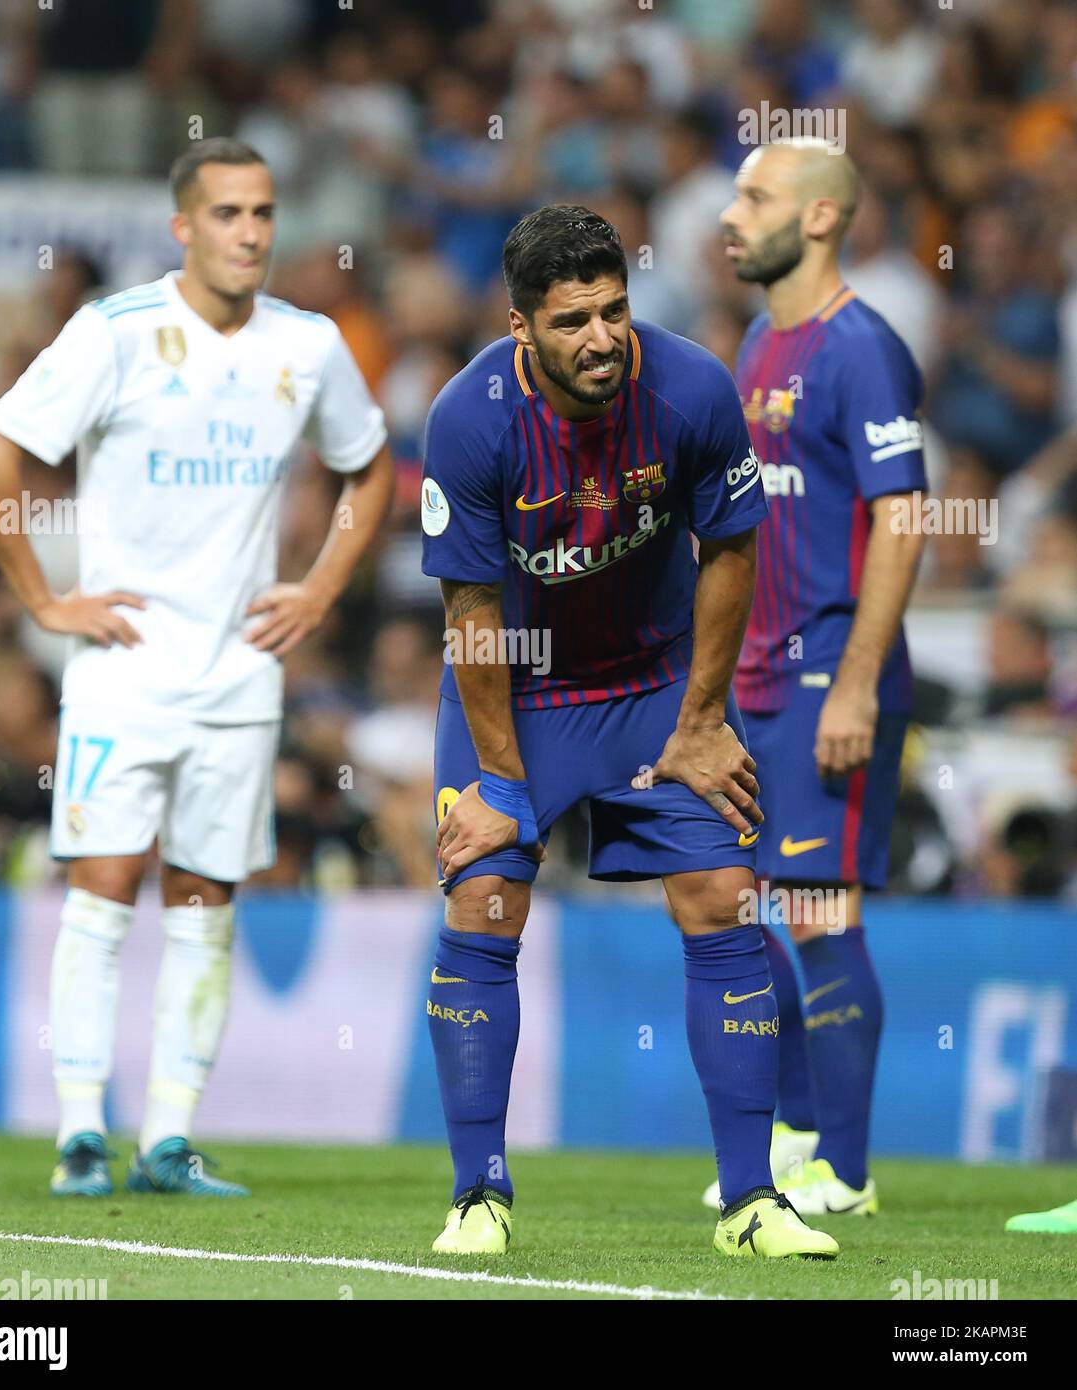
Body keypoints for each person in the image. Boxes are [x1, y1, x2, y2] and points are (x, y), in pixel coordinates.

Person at [0, 138, 393, 1197]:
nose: (251, 232)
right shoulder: (116, 332)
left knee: (205, 901)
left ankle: (166, 1138)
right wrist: (44, 600)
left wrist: (323, 587)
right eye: (229, 213)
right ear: (182, 227)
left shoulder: (309, 344)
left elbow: (371, 466)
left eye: (263, 213)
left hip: (241, 676)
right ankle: (77, 1131)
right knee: (103, 886)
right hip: (123, 667)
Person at [421, 204, 839, 1260]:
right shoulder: (467, 422)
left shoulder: (692, 388)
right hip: (517, 689)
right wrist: (501, 784)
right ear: (522, 328)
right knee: (482, 900)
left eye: (613, 311)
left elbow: (733, 552)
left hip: (659, 681)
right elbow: (470, 614)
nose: (602, 338)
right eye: (571, 322)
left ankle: (752, 1203)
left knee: (721, 896)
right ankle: (480, 1194)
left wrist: (701, 719)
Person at [710, 138, 927, 1217]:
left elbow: (903, 515)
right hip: (751, 679)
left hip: (830, 675)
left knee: (817, 910)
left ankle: (845, 1168)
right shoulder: (757, 340)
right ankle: (796, 1127)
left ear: (825, 218)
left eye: (756, 195)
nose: (731, 212)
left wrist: (852, 682)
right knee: (730, 908)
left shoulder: (862, 350)